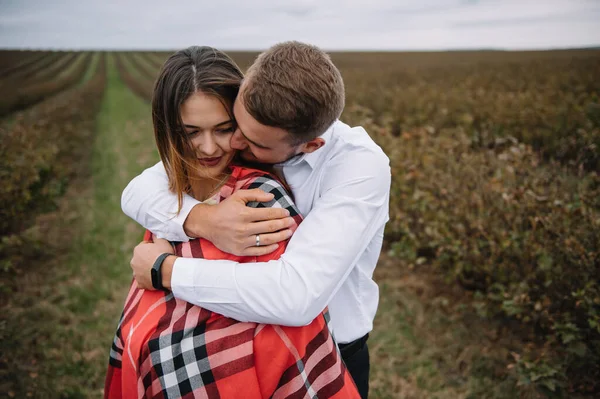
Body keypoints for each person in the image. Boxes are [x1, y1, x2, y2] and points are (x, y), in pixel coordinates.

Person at [125, 41, 391, 399]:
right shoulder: (257, 121)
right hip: (226, 349)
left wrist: (165, 271)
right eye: (235, 124)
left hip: (324, 357)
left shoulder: (360, 169)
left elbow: (294, 296)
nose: (230, 142)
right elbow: (139, 190)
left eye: (250, 140)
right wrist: (203, 220)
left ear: (310, 145)